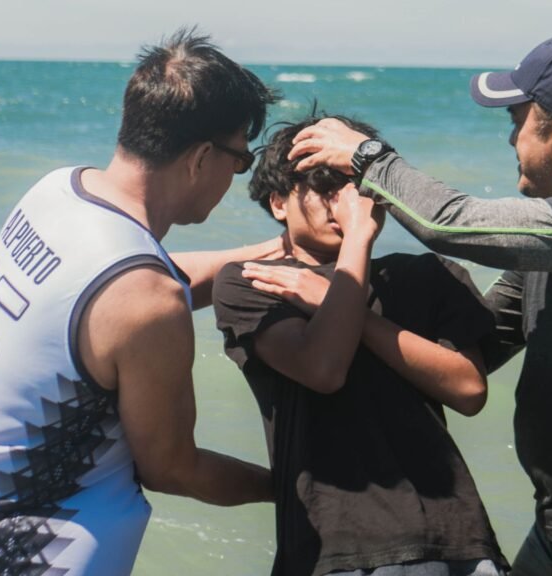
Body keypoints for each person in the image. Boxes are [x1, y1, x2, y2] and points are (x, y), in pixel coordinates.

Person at [285, 34, 552, 575]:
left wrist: (370, 158)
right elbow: (472, 350)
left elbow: (453, 223)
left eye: (517, 121)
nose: (510, 138)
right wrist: (341, 314)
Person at [0, 29, 283, 574]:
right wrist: (291, 488)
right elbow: (172, 468)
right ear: (200, 158)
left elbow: (119, 303)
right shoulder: (146, 298)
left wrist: (278, 253)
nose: (235, 177)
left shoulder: (58, 193)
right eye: (240, 161)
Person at [212, 115, 509, 576]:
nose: (347, 202)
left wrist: (357, 312)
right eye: (326, 187)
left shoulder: (423, 275)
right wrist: (355, 241)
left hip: (453, 538)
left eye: (357, 185)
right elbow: (323, 368)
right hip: (336, 547)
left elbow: (469, 389)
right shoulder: (256, 283)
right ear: (278, 202)